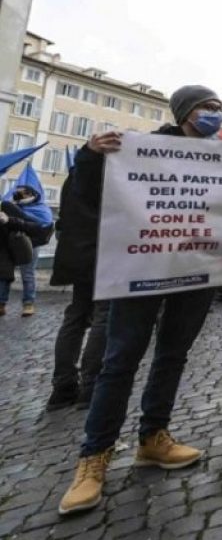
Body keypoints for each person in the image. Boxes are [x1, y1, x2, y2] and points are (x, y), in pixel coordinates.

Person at [59, 85, 222, 516]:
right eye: (208, 107)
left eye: (220, 108)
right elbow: (91, 195)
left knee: (173, 356)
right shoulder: (137, 149)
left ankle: (153, 437)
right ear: (186, 111)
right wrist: (90, 155)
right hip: (140, 271)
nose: (217, 114)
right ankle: (94, 458)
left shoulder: (221, 158)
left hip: (197, 272)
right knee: (121, 360)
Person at [45, 169, 110, 411]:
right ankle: (90, 386)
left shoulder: (75, 175)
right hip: (102, 251)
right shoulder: (109, 172)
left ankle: (62, 386)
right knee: (104, 315)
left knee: (76, 315)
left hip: (76, 252)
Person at [0, 182, 52, 316]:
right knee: (5, 273)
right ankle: (1, 303)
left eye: (22, 192)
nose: (18, 194)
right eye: (17, 192)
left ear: (32, 194)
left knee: (27, 274)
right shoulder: (12, 206)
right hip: (11, 243)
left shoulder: (42, 209)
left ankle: (28, 303)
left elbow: (42, 228)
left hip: (30, 244)